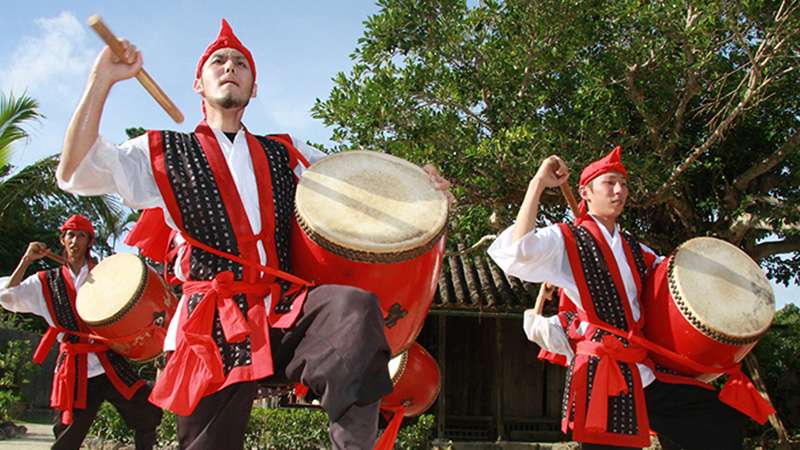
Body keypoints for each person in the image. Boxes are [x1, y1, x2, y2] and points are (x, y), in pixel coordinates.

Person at [56, 19, 451, 450]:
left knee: (351, 310)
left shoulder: (289, 153)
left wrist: (421, 187)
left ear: (254, 87)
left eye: (241, 63)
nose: (230, 67)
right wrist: (102, 79)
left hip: (283, 312)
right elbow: (74, 171)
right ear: (199, 83)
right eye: (219, 61)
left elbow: (363, 187)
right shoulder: (161, 151)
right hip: (210, 324)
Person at [487, 148, 756, 449]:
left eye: (624, 184)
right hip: (602, 371)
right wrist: (537, 182)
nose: (619, 191)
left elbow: (674, 278)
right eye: (610, 183)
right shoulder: (566, 239)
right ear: (585, 193)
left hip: (641, 369)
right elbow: (517, 251)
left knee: (716, 422)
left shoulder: (635, 250)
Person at [0, 214, 162, 450]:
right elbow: (7, 295)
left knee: (147, 412)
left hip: (110, 362)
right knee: (67, 436)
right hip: (76, 369)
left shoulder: (106, 274)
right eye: (70, 235)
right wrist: (26, 259)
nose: (75, 241)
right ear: (63, 240)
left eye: (81, 236)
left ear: (89, 242)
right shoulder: (45, 281)